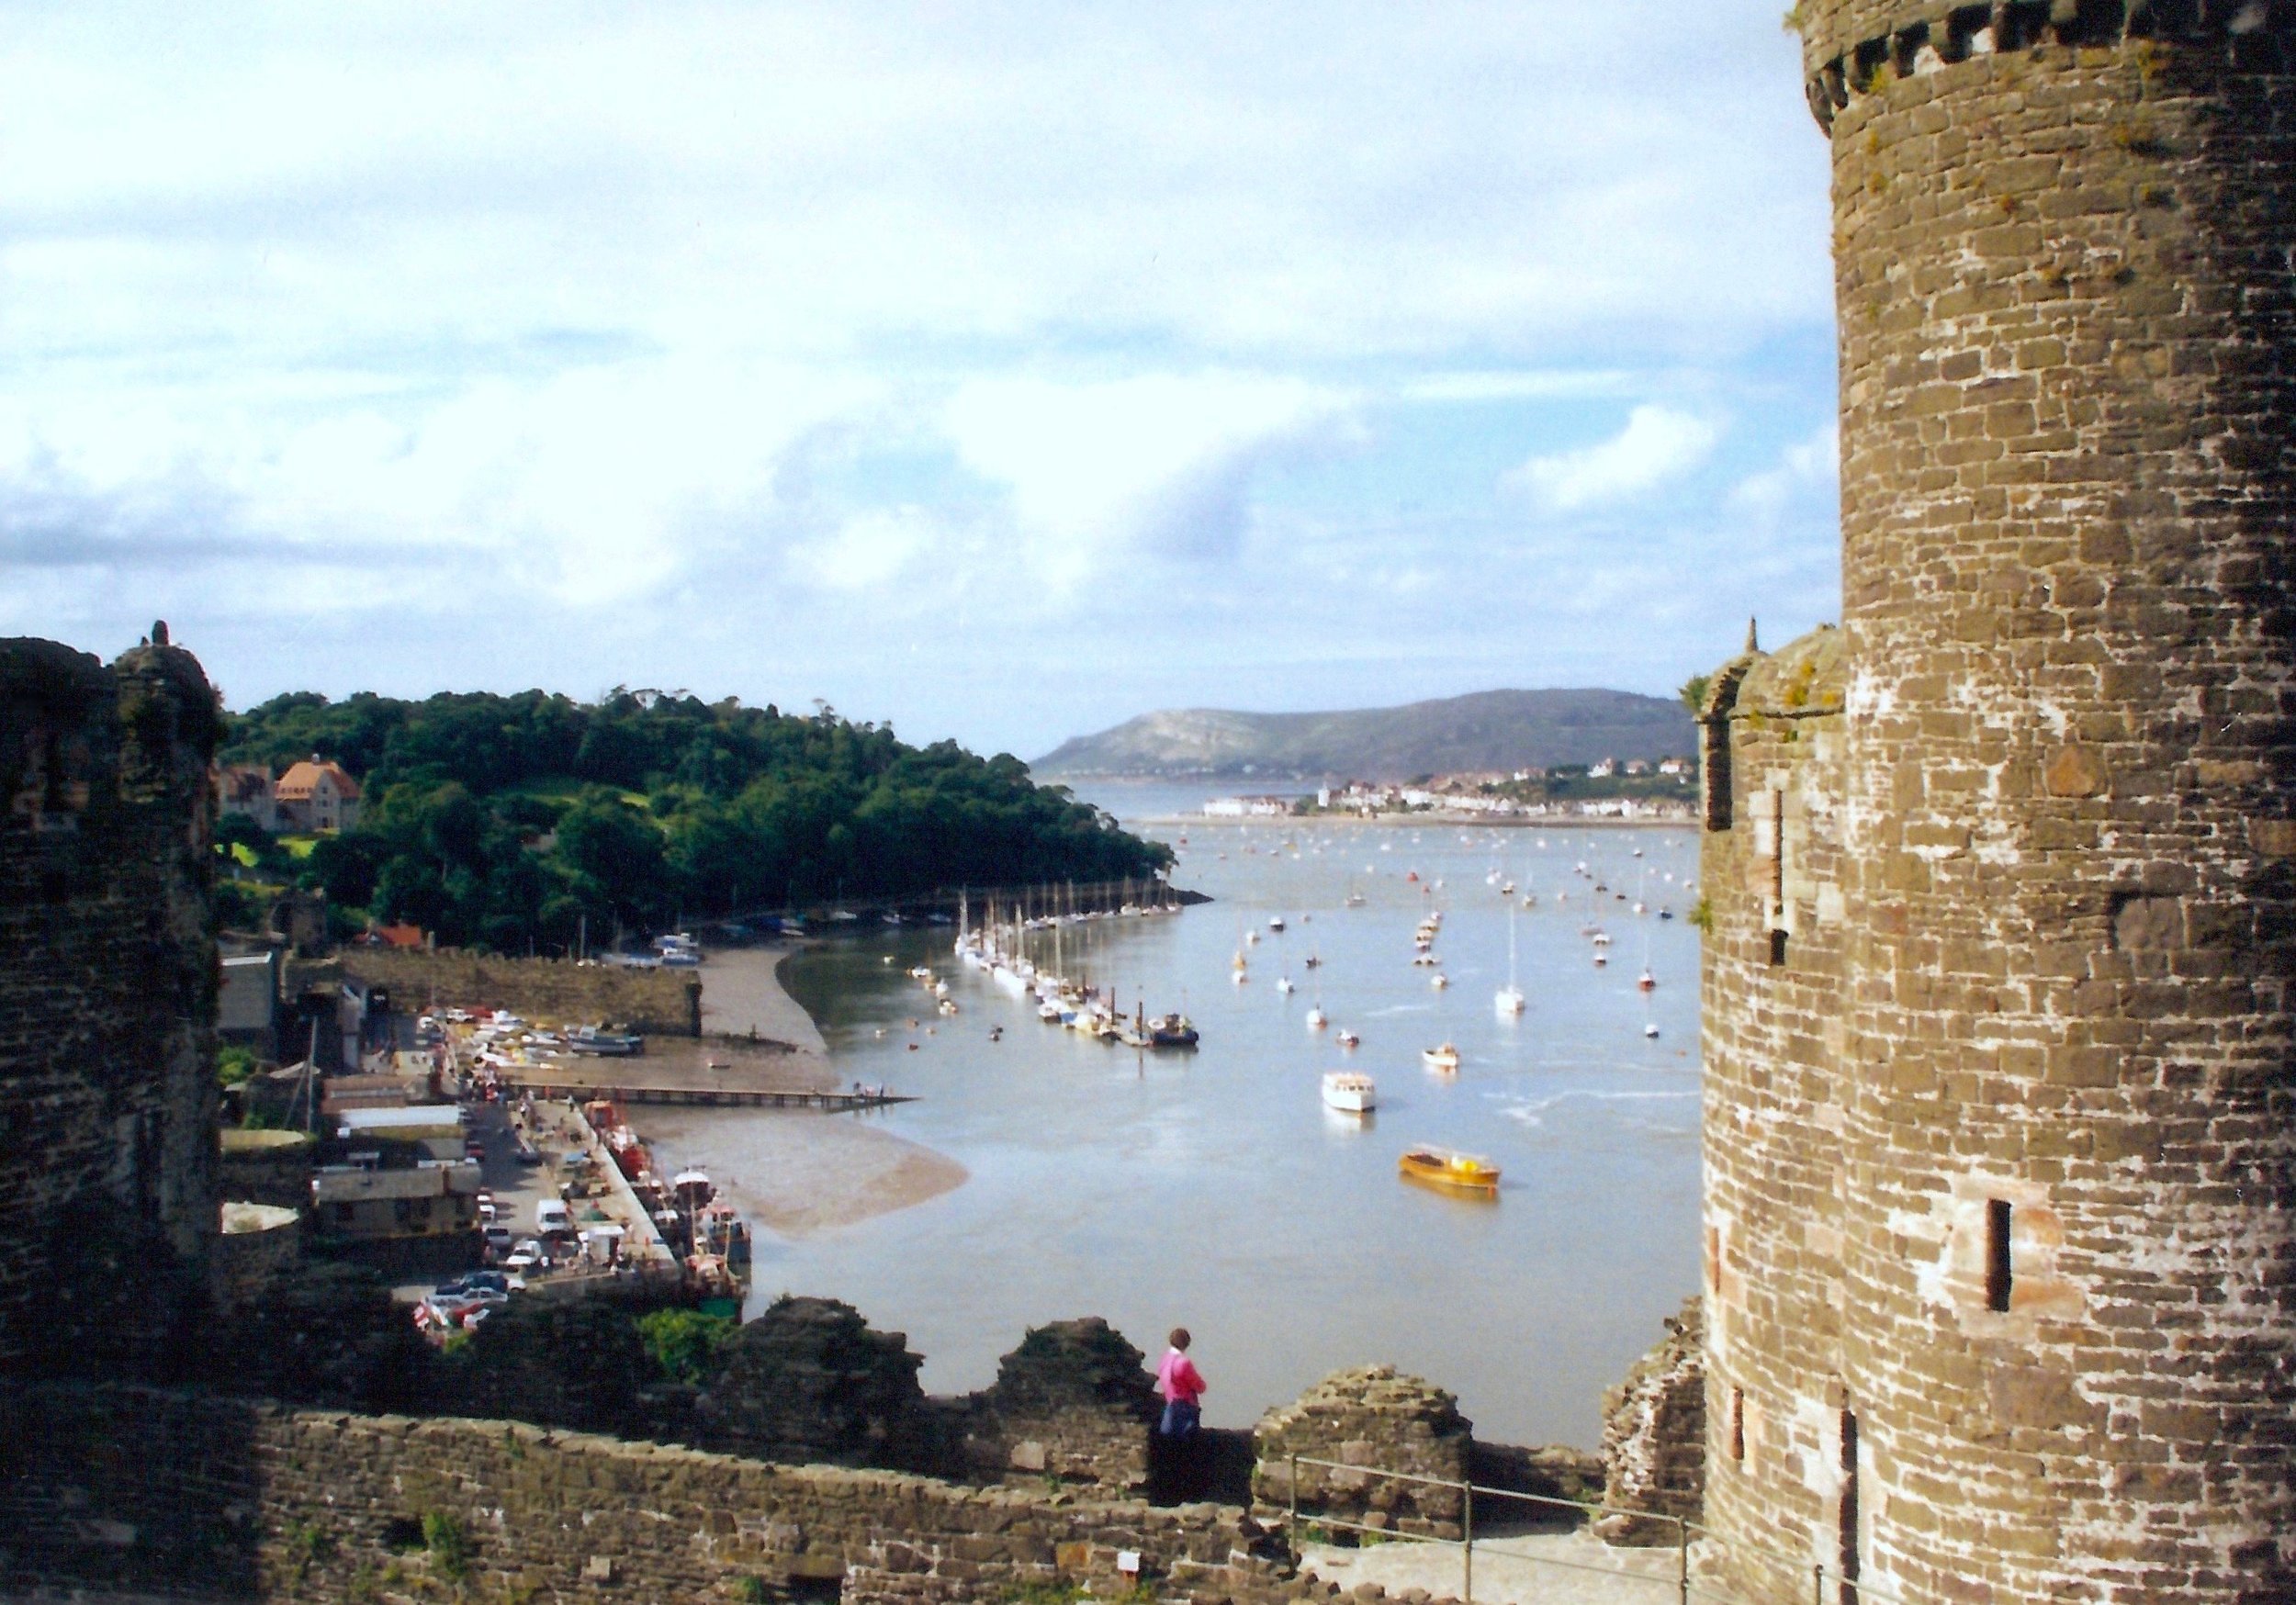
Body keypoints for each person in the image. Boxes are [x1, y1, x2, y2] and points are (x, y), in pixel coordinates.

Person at [1155, 1328, 1206, 1442]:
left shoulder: (1164, 1360)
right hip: (1185, 1409)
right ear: (1186, 1343)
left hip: (1170, 1407)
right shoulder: (1183, 1363)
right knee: (1187, 1443)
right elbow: (1200, 1387)